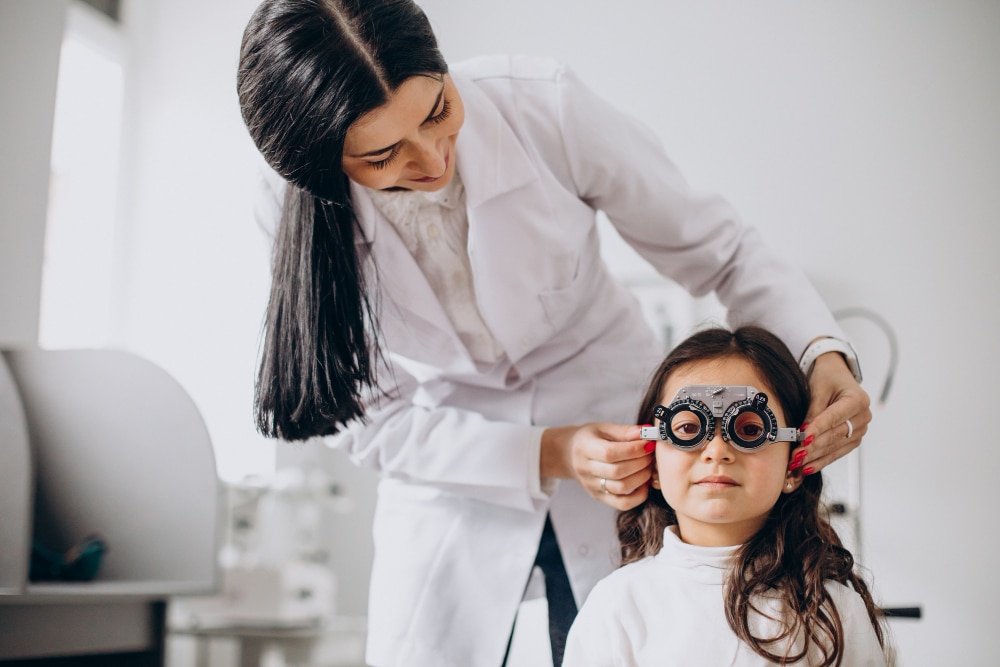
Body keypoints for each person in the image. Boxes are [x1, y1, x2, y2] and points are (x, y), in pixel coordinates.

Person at [236, 1, 872, 665]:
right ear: (322, 168)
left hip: (612, 422)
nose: (431, 159)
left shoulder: (543, 106)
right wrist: (547, 451)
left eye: (437, 111)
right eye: (384, 153)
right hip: (448, 465)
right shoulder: (289, 210)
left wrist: (819, 352)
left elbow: (722, 251)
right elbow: (365, 417)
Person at [563, 325, 888, 666]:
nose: (717, 451)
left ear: (794, 465)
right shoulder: (617, 605)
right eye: (688, 428)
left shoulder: (834, 613)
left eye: (749, 430)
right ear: (653, 461)